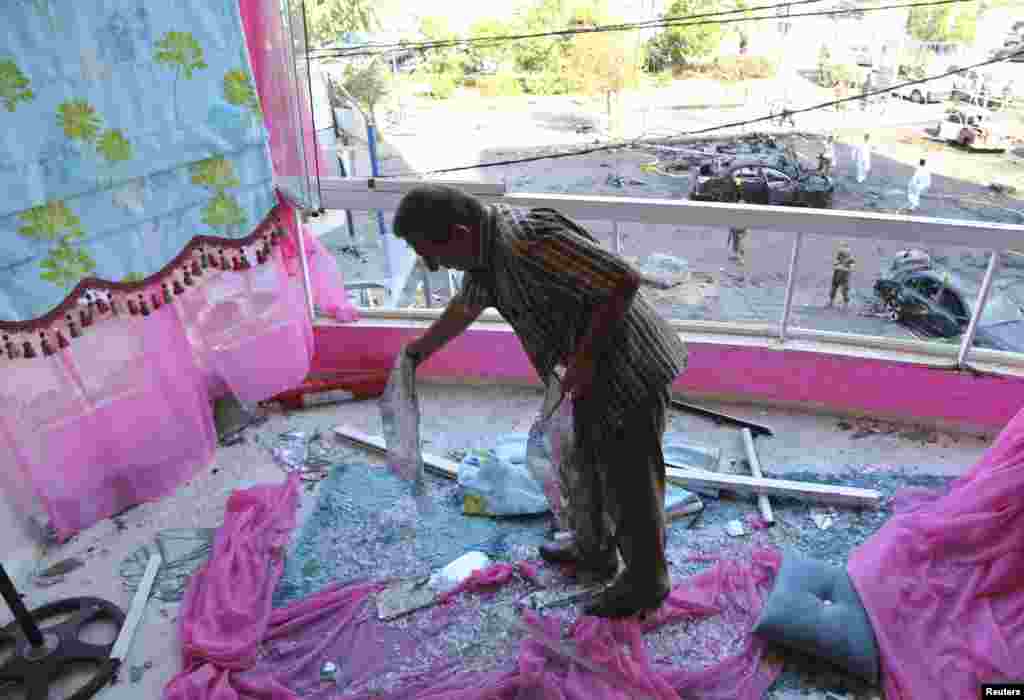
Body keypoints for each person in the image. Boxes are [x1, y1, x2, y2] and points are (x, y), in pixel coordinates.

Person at [393, 185, 688, 618]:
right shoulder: (484, 256)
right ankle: (595, 550)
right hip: (582, 372)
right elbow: (465, 306)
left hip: (627, 367)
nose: (434, 265)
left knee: (629, 479)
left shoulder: (528, 240)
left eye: (433, 253)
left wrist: (584, 358)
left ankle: (647, 582)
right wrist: (418, 350)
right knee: (583, 463)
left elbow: (622, 279)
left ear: (458, 234)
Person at [828, 242, 856, 310]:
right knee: (833, 289)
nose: (841, 256)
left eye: (843, 255)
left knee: (844, 291)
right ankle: (831, 302)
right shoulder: (838, 259)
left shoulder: (851, 260)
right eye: (840, 255)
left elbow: (852, 268)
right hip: (836, 276)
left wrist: (843, 268)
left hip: (845, 277)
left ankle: (846, 304)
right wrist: (837, 266)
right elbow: (835, 265)